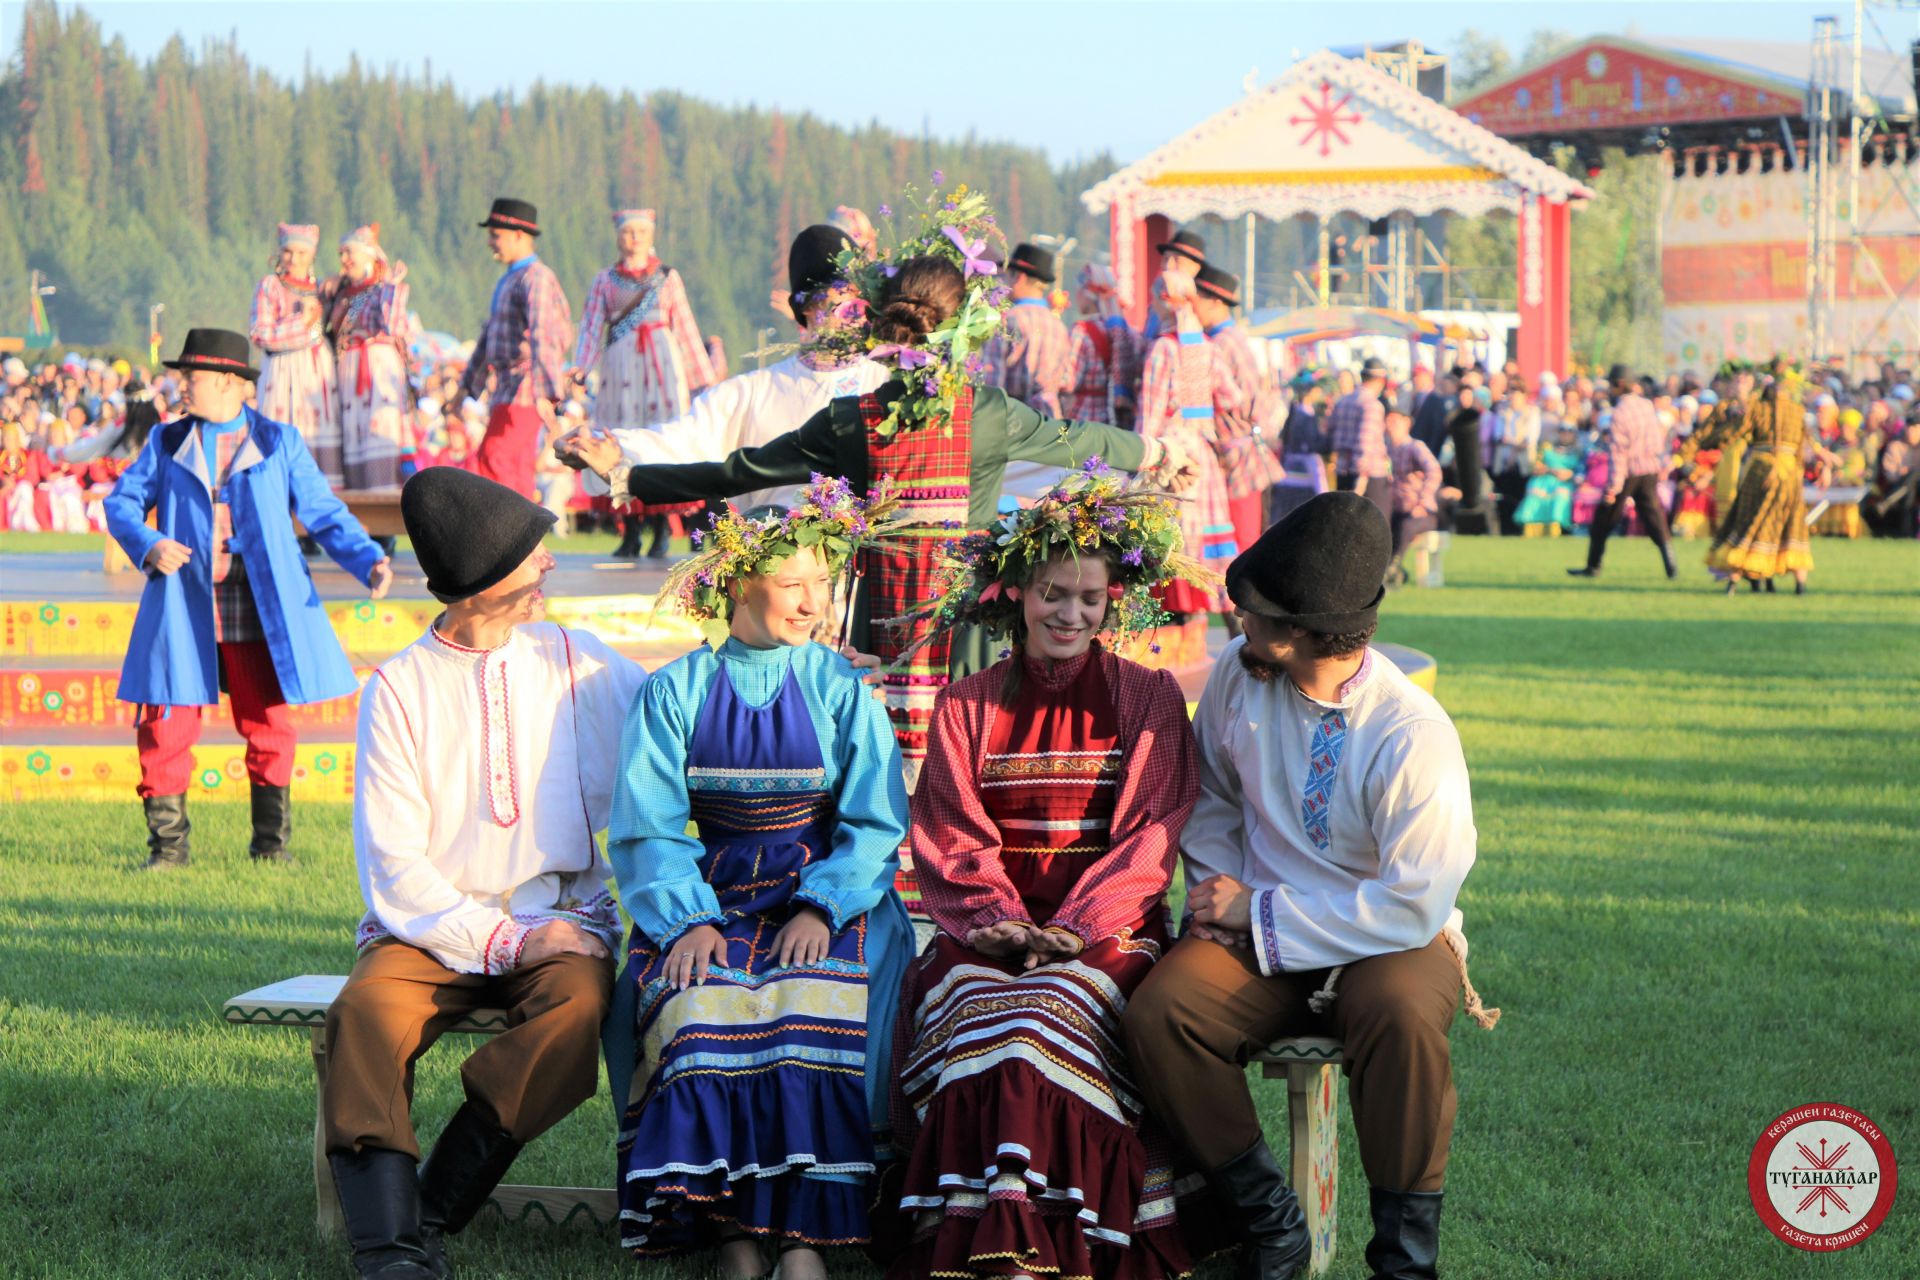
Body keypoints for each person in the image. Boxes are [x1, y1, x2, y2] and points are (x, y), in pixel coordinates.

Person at [583, 216, 1194, 801]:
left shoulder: (854, 419)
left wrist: (626, 474)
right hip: (968, 638)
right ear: (962, 328)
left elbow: (736, 470)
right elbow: (1077, 440)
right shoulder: (984, 411)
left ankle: (887, 890)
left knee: (873, 769)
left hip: (879, 629)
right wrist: (1160, 451)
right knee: (971, 768)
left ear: (880, 322)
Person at [1121, 492, 1497, 1280]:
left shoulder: (1412, 734)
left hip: (1386, 939)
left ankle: (1404, 1263)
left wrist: (1259, 912)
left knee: (1398, 1014)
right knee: (1163, 1013)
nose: (1237, 627)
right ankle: (1268, 1222)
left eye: (1255, 617)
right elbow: (1214, 793)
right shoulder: (1236, 675)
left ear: (1300, 634)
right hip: (1254, 931)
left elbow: (1414, 900)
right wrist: (1220, 889)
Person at [888, 466, 1213, 1280]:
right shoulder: (966, 702)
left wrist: (1074, 928)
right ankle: (980, 1234)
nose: (1070, 614)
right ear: (1015, 593)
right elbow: (950, 827)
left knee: (1042, 1020)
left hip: (1108, 934)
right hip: (985, 930)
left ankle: (1045, 1239)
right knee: (981, 1015)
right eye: (1052, 594)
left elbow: (1150, 833)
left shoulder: (1149, 698)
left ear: (1112, 603)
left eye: (1089, 599)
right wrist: (997, 920)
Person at [324, 468, 643, 1280]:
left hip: (561, 916)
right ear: (479, 578)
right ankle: (390, 1253)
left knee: (575, 1010)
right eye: (532, 555)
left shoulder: (579, 660)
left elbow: (680, 709)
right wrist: (502, 942)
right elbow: (395, 867)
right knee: (362, 1016)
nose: (549, 566)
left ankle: (430, 1206)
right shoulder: (398, 688)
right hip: (427, 927)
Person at [604, 480, 915, 1277]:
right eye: (792, 585)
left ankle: (809, 1237)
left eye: (823, 583)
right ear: (740, 581)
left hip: (830, 895)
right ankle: (735, 1232)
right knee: (703, 1010)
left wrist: (823, 906)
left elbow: (877, 821)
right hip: (714, 898)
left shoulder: (840, 688)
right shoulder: (674, 689)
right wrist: (688, 921)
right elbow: (647, 825)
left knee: (810, 1011)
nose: (814, 604)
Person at [102, 329, 394, 870]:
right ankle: (168, 851)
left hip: (262, 611)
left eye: (193, 377)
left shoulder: (280, 441)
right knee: (164, 724)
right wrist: (149, 543)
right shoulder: (167, 442)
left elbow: (323, 512)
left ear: (233, 384)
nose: (182, 385)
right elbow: (121, 504)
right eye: (182, 375)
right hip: (181, 609)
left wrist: (367, 559)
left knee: (269, 724)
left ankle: (271, 847)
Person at [556, 224, 890, 519]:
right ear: (806, 307)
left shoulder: (886, 383)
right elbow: (683, 438)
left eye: (860, 301)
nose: (855, 315)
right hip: (775, 573)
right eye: (840, 301)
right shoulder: (753, 391)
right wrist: (610, 446)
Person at [567, 208, 717, 557]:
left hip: (661, 369)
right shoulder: (604, 280)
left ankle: (661, 528)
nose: (634, 238)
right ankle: (630, 528)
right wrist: (581, 368)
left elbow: (685, 326)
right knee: (619, 443)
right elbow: (590, 327)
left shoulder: (667, 277)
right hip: (621, 371)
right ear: (617, 236)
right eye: (627, 232)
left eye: (641, 232)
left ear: (651, 236)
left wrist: (702, 380)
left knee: (661, 442)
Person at [1674, 368, 1835, 593]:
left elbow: (1732, 433)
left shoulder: (1757, 409)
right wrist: (1821, 466)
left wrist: (1700, 444)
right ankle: (1800, 584)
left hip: (1762, 471)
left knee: (1750, 525)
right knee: (1792, 528)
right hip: (1789, 475)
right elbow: (1805, 448)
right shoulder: (1798, 411)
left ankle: (1735, 581)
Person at [458, 197, 572, 500]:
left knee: (497, 459)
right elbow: (487, 340)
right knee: (510, 466)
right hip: (507, 386)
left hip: (527, 386)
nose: (490, 242)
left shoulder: (536, 278)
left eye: (496, 235)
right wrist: (465, 387)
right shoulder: (510, 279)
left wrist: (548, 393)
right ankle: (523, 545)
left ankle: (512, 540)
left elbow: (543, 337)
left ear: (519, 235)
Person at [1195, 264, 1285, 554]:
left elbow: (1242, 401)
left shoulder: (1223, 343)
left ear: (1215, 301)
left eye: (1196, 297)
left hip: (1235, 451)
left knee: (1241, 541)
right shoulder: (1233, 338)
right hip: (1243, 446)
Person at [249, 222, 342, 485]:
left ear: (312, 254)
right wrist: (301, 323)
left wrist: (345, 282)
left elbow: (350, 316)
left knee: (316, 435)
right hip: (281, 371)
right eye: (288, 252)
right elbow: (259, 333)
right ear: (280, 252)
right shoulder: (269, 286)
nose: (294, 259)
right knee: (280, 432)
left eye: (302, 253)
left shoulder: (323, 288)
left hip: (316, 375)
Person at [324, 223, 414, 490]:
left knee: (380, 429)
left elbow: (392, 326)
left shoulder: (384, 288)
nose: (344, 260)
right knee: (355, 436)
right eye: (341, 253)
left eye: (349, 252)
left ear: (369, 255)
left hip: (377, 366)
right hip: (349, 371)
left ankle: (385, 497)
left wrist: (390, 288)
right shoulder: (342, 294)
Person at [1569, 365, 1678, 580]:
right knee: (1654, 516)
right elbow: (1657, 439)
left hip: (1629, 472)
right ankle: (1671, 564)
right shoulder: (1647, 405)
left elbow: (1619, 454)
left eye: (1611, 384)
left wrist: (1613, 488)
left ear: (1619, 384)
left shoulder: (1619, 413)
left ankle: (1593, 565)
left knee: (1604, 518)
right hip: (1649, 470)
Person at [983, 242, 1071, 419]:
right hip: (1050, 423)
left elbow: (992, 383)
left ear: (1019, 277)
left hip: (1015, 420)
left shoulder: (1007, 320)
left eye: (1008, 276)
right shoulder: (1059, 327)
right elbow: (1065, 383)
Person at [1063, 261, 1135, 428]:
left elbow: (1068, 381)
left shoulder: (1082, 331)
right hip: (1116, 421)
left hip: (1084, 417)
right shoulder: (1125, 332)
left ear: (1088, 294)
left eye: (1079, 289)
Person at [1329, 356, 1392, 522]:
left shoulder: (1343, 401)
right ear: (1380, 380)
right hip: (1367, 474)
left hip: (1343, 469)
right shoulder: (1372, 405)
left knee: (1344, 524)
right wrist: (1362, 476)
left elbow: (1330, 432)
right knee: (1376, 527)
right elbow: (1365, 442)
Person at [1385, 408, 1441, 575]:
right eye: (1387, 422)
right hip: (1396, 509)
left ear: (1406, 423)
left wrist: (1423, 502)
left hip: (1420, 511)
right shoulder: (1385, 449)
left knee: (1406, 527)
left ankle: (1393, 567)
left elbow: (1434, 471)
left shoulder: (1415, 447)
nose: (1390, 427)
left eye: (1394, 422)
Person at [1513, 424, 1583, 533]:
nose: (1565, 434)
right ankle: (1531, 531)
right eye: (1562, 431)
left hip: (1564, 482)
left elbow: (1581, 470)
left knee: (1559, 498)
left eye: (1569, 432)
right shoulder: (1547, 447)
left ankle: (1555, 529)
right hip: (1543, 480)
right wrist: (1552, 471)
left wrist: (1570, 474)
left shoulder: (1578, 451)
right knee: (1534, 498)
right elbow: (1535, 467)